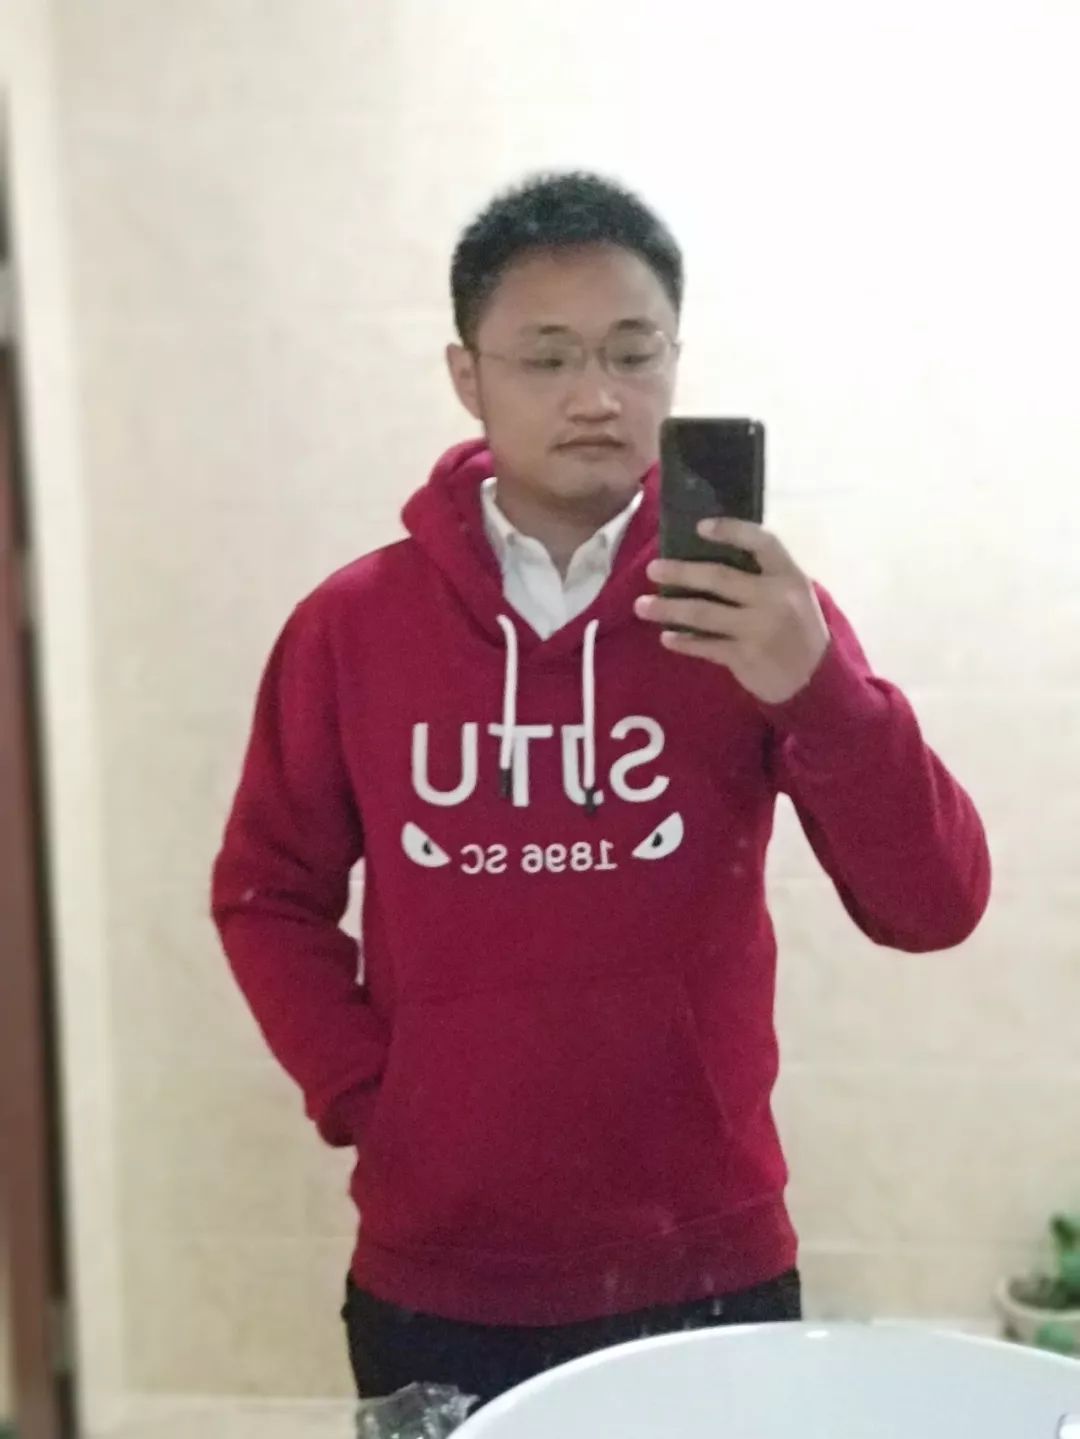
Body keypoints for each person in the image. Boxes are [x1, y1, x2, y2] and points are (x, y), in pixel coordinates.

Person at [212, 171, 990, 1404]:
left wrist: (821, 690)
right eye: (547, 357)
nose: (597, 396)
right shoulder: (351, 627)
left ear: (676, 362)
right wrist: (376, 1094)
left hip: (710, 1256)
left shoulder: (758, 614)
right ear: (467, 375)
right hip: (441, 1265)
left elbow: (935, 905)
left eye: (635, 353)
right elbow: (266, 893)